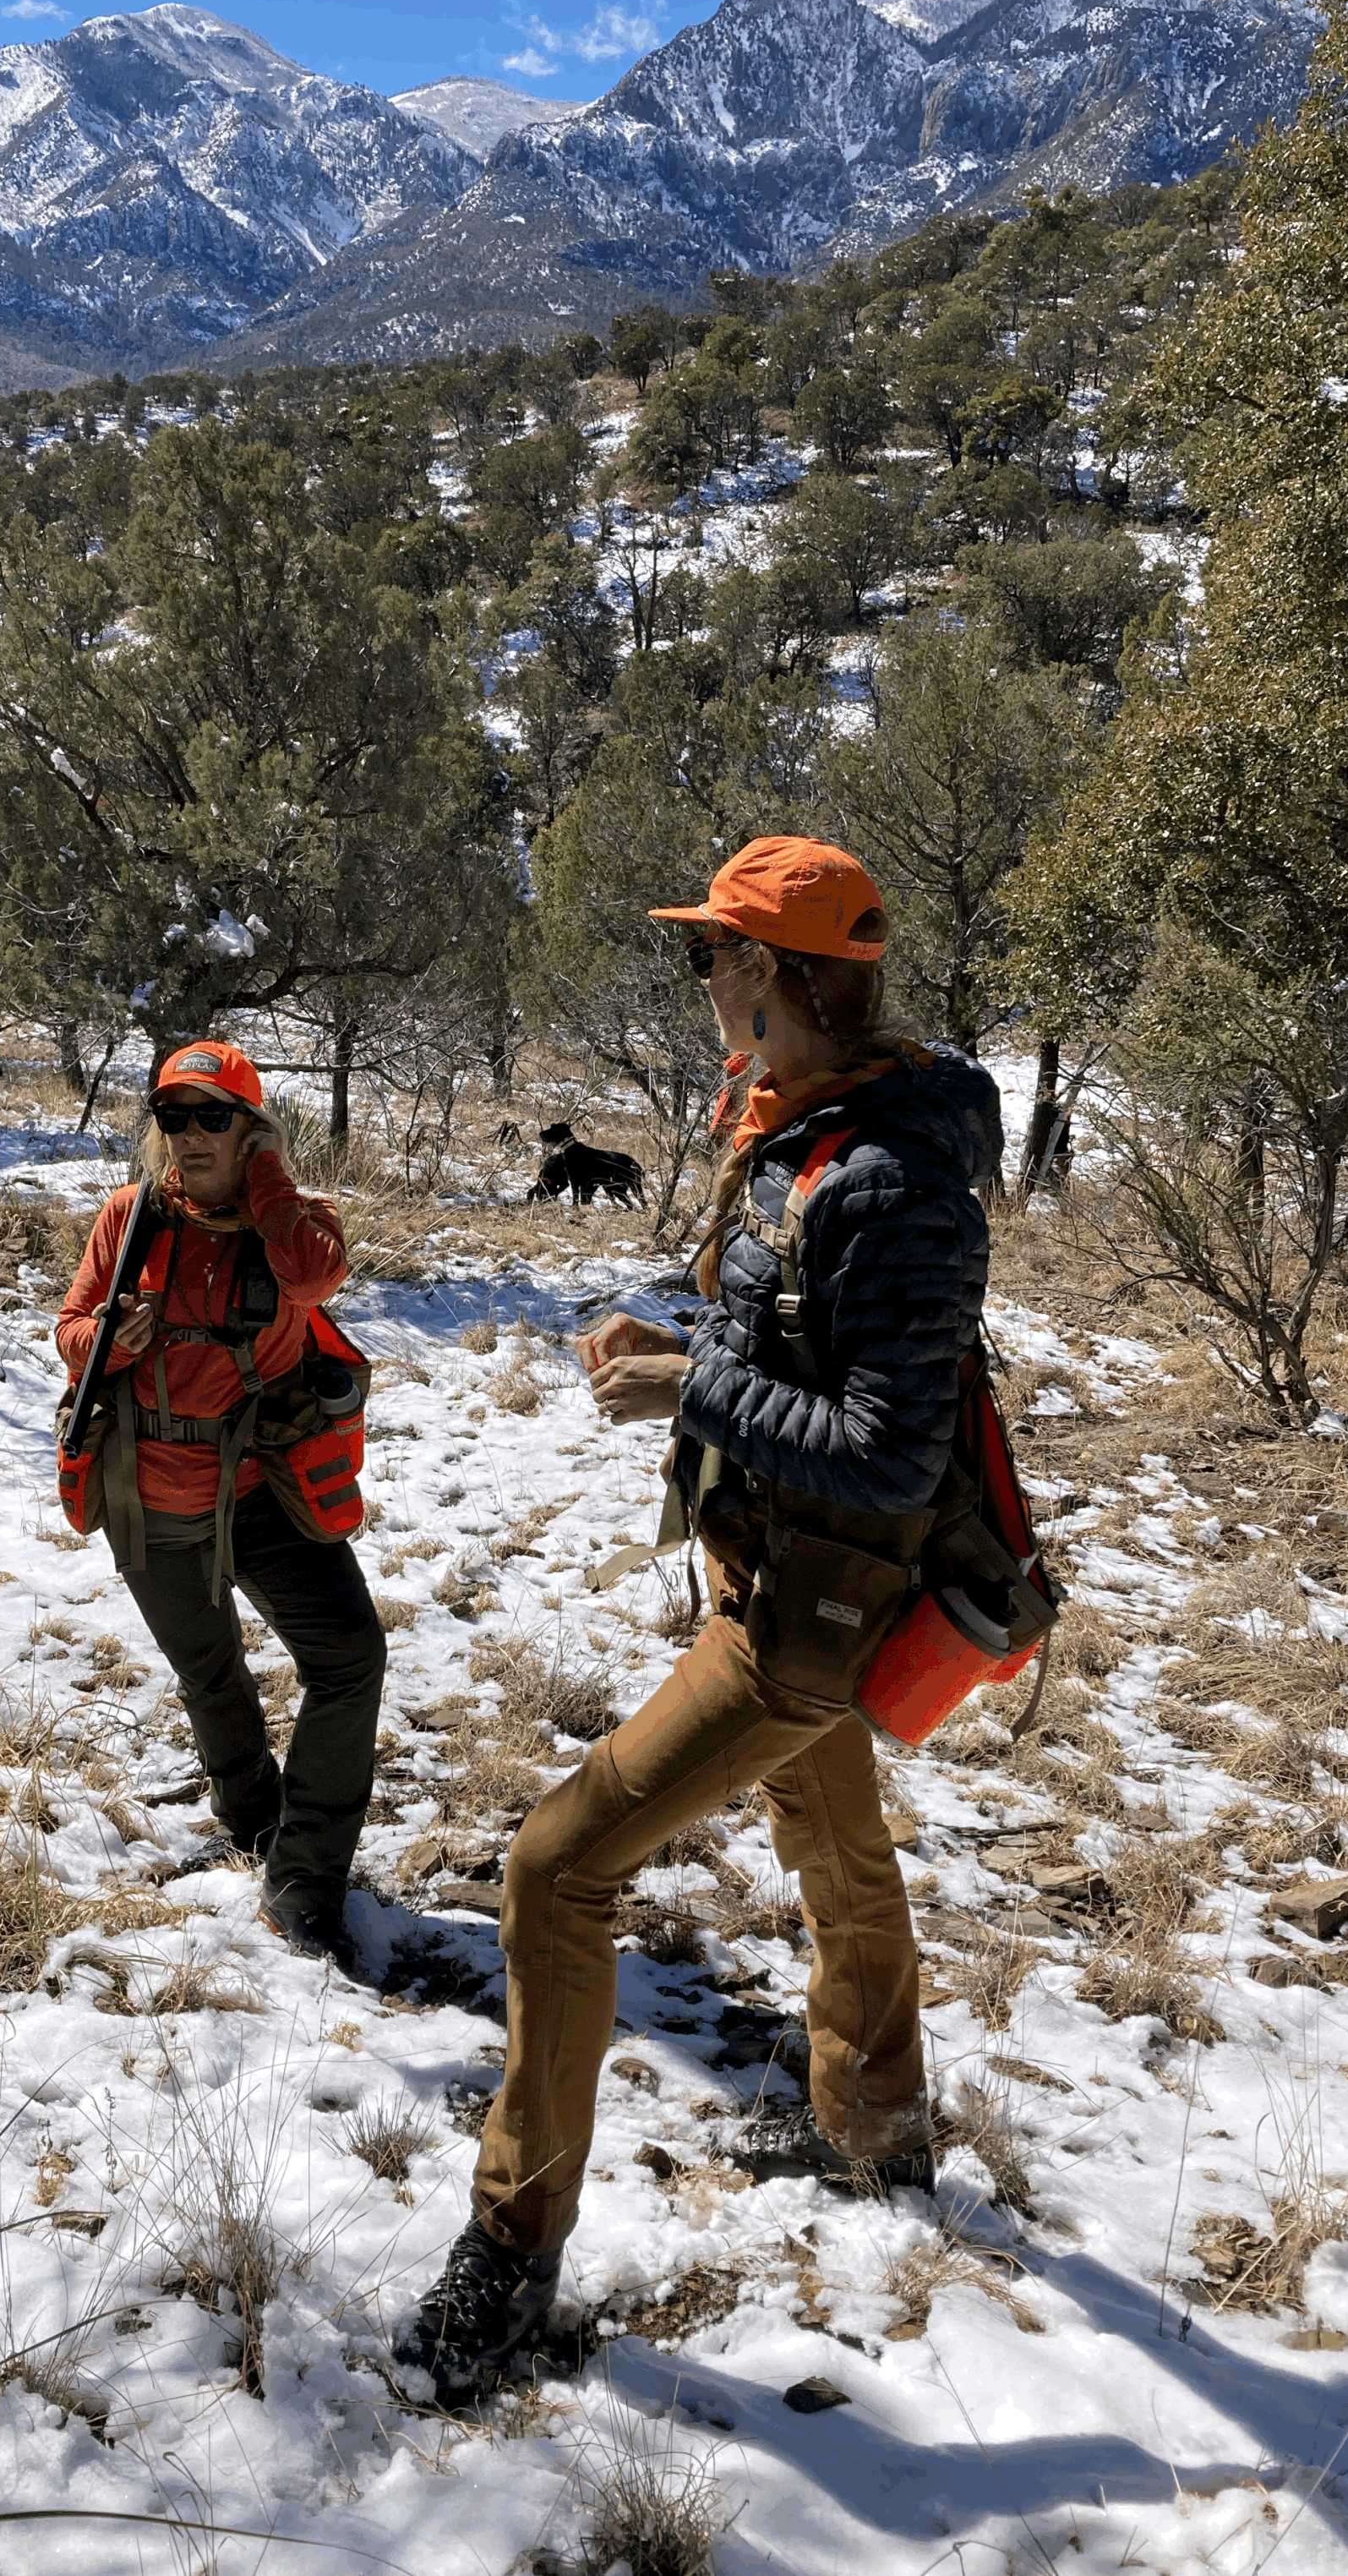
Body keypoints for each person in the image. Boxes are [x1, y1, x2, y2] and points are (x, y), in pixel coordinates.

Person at [397, 837, 1002, 2407]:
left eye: (713, 953)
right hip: (773, 1569)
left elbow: (889, 1444)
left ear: (784, 974)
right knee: (835, 1837)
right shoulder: (802, 1123)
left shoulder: (890, 1171)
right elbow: (801, 1338)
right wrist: (698, 1342)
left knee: (554, 1866)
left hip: (818, 1600)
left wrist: (691, 1382)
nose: (703, 979)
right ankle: (875, 2124)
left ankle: (508, 2256)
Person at [55, 1040, 387, 1964]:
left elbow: (316, 1278)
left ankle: (306, 1877)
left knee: (351, 1658)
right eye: (174, 1117)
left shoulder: (294, 1226)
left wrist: (269, 1176)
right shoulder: (128, 1219)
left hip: (262, 1495)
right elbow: (69, 1329)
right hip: (149, 1496)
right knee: (210, 1676)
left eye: (214, 1117)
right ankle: (252, 1819)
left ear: (252, 1129)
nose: (190, 1136)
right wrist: (110, 1345)